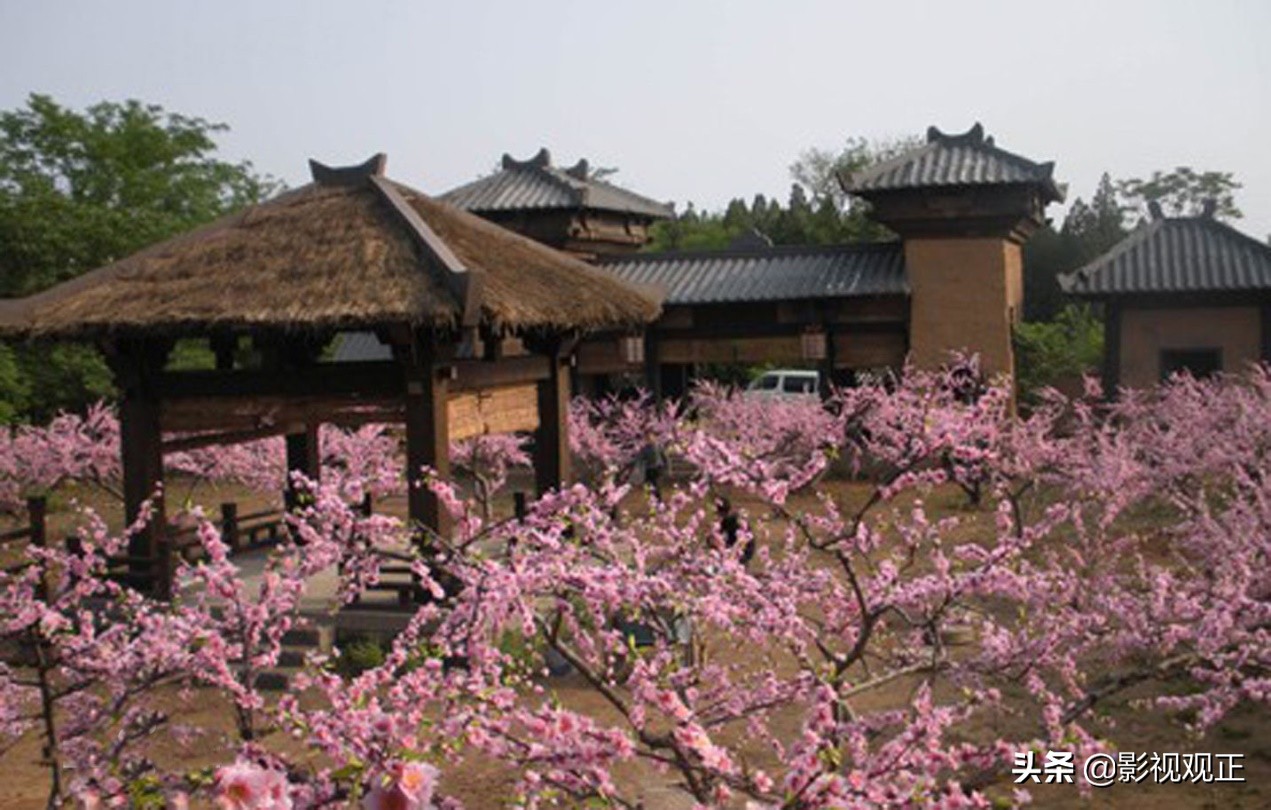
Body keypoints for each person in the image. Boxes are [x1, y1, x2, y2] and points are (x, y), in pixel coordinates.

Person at [715, 496, 754, 566]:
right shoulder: (733, 518)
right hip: (745, 549)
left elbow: (740, 542)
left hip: (742, 551)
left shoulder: (729, 521)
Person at [639, 435, 667, 500]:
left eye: (651, 439)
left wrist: (666, 467)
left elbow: (665, 457)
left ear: (654, 439)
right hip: (648, 469)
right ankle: (651, 499)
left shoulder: (658, 447)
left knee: (655, 484)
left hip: (657, 468)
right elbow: (641, 458)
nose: (649, 440)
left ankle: (659, 499)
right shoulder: (644, 449)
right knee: (647, 485)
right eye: (648, 439)